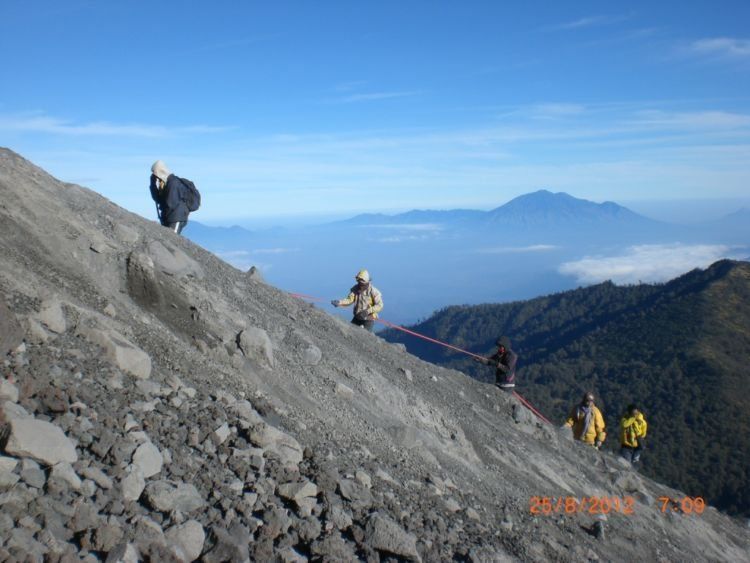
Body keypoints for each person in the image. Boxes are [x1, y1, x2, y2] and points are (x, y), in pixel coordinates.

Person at [149, 160, 189, 234]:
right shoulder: (164, 183)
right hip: (169, 216)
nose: (155, 175)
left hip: (176, 217)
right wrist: (153, 184)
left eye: (155, 173)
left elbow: (170, 203)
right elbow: (157, 199)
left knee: (172, 238)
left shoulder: (173, 183)